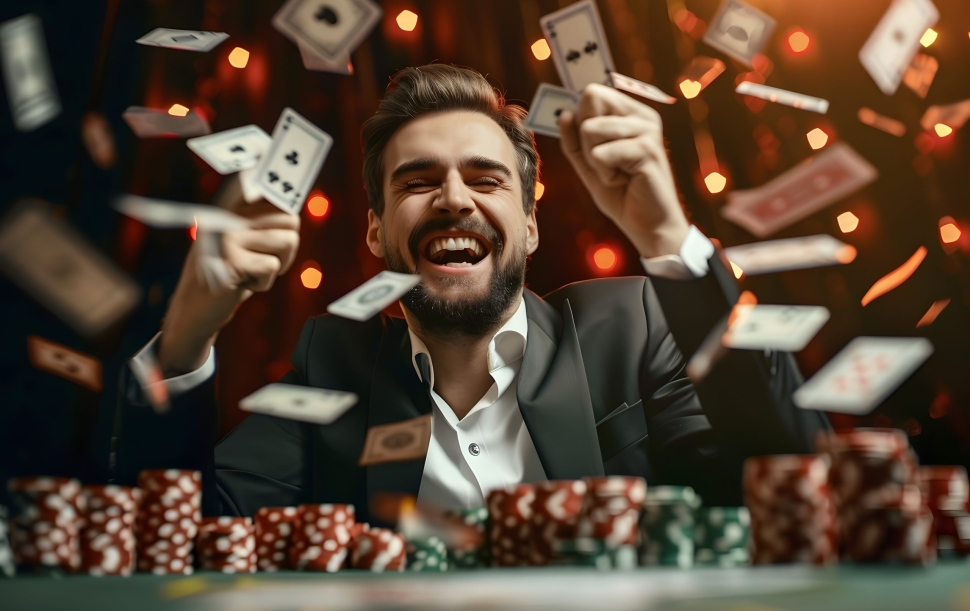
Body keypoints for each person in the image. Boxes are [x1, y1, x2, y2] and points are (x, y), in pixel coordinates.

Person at [117, 65, 828, 520]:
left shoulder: (631, 323)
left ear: (529, 224)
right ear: (374, 231)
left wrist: (671, 238)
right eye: (418, 181)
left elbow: (792, 469)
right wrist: (186, 335)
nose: (453, 199)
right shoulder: (333, 365)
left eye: (485, 179)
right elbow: (177, 540)